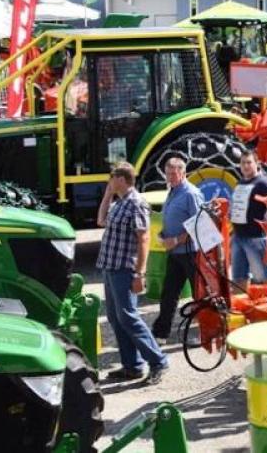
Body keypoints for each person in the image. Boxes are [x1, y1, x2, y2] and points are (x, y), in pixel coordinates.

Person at [96, 163, 168, 385]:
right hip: (110, 267)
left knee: (128, 316)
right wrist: (108, 195)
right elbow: (100, 220)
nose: (109, 180)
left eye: (112, 177)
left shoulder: (136, 203)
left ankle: (158, 361)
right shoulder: (119, 203)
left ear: (121, 178)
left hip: (125, 269)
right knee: (116, 318)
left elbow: (144, 239)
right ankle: (132, 366)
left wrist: (140, 274)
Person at [152, 157, 204, 340]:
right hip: (175, 253)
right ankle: (160, 334)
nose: (171, 177)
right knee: (168, 295)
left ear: (183, 173)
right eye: (168, 174)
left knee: (200, 295)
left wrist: (175, 240)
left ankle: (206, 332)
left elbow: (198, 225)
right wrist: (163, 235)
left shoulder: (191, 193)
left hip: (191, 253)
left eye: (174, 174)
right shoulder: (172, 191)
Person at [230, 150, 267, 289]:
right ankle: (241, 309)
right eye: (243, 163)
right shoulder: (240, 182)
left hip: (256, 239)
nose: (245, 166)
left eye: (249, 163)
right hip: (238, 237)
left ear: (256, 164)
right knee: (239, 278)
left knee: (264, 277)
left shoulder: (264, 184)